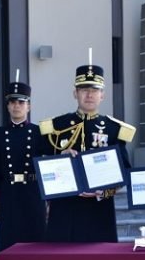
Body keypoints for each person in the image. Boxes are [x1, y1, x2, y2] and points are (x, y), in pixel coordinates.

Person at [39, 64, 136, 242]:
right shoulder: (56, 126)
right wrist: (60, 158)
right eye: (84, 89)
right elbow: (42, 165)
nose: (89, 95)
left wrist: (104, 192)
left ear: (102, 95)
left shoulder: (114, 129)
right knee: (61, 256)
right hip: (64, 207)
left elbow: (125, 170)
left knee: (99, 257)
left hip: (99, 210)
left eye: (95, 90)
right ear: (75, 93)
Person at [0, 80, 46, 252]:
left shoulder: (39, 132)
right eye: (13, 102)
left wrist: (49, 198)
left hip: (33, 192)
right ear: (7, 106)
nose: (17, 106)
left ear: (28, 106)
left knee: (36, 243)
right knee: (9, 244)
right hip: (9, 194)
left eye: (21, 102)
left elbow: (48, 164)